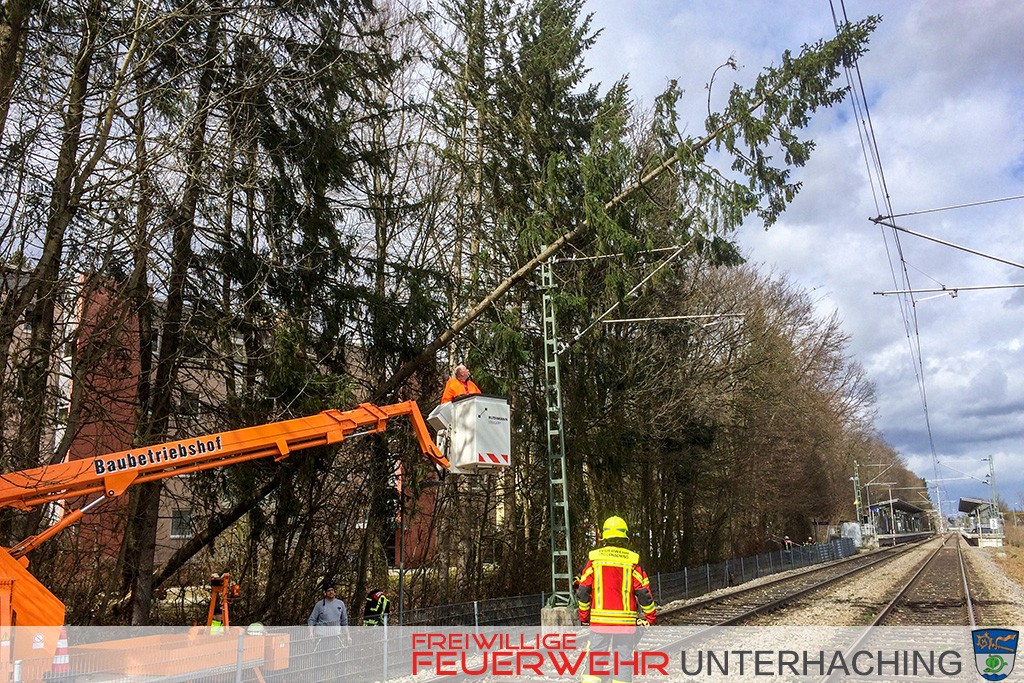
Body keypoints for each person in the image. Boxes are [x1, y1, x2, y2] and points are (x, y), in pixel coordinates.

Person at [576, 516, 656, 683]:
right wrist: (650, 617)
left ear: (604, 537)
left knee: (595, 660)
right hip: (625, 624)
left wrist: (584, 616)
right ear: (624, 536)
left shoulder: (594, 561)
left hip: (600, 622)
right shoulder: (632, 561)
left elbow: (583, 591)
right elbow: (643, 593)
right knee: (624, 660)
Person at [307, 580, 350, 681]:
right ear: (325, 593)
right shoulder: (319, 605)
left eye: (332, 590)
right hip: (321, 638)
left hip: (336, 638)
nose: (331, 592)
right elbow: (312, 619)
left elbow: (344, 622)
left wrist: (347, 636)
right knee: (320, 663)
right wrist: (311, 633)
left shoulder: (340, 604)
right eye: (328, 590)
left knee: (338, 663)